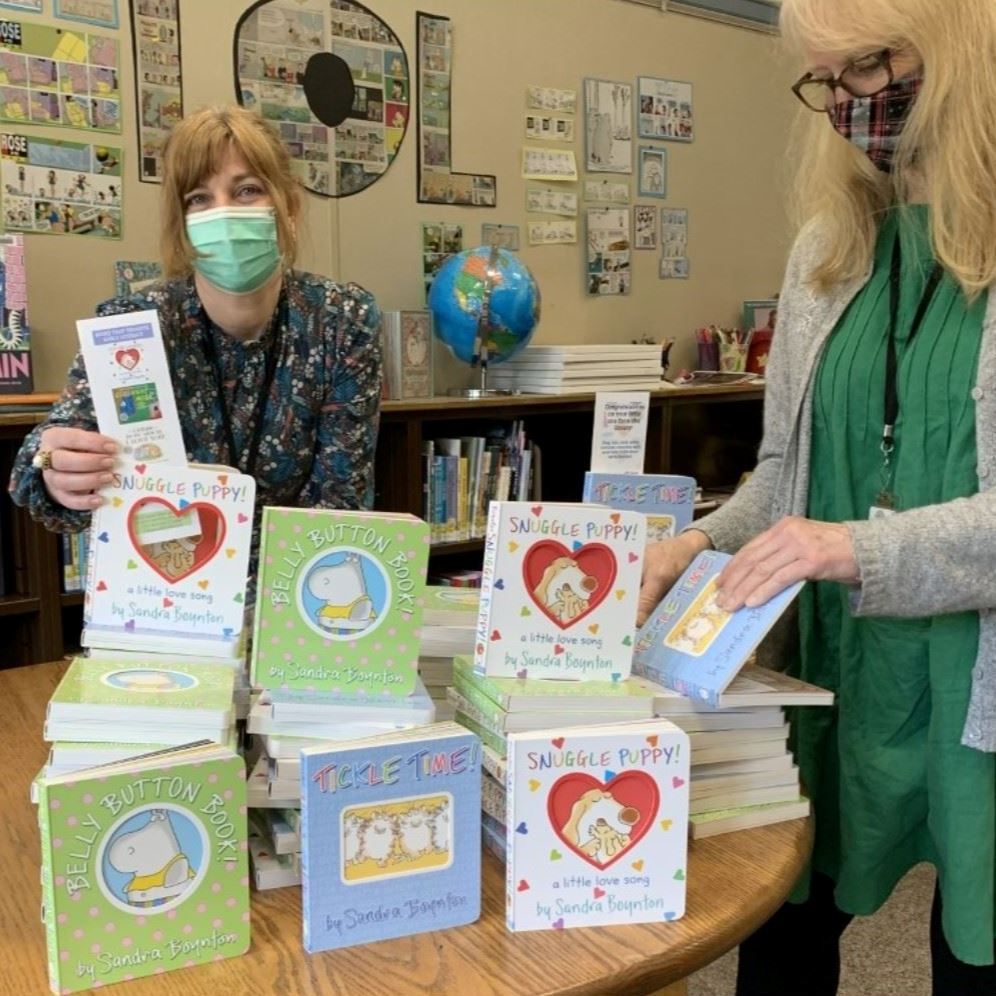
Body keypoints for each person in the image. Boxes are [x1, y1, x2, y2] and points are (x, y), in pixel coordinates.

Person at [636, 1, 996, 993]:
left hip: (973, 690)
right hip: (837, 671)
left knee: (972, 942)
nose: (847, 105)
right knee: (784, 936)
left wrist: (851, 549)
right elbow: (789, 487)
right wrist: (695, 547)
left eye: (871, 69)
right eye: (826, 81)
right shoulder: (826, 253)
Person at [8, 105, 381, 577]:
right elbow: (37, 470)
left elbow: (342, 502)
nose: (224, 213)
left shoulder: (341, 319)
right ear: (181, 222)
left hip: (296, 590)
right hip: (167, 592)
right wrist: (54, 468)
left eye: (247, 190)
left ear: (288, 204)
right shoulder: (132, 324)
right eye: (199, 199)